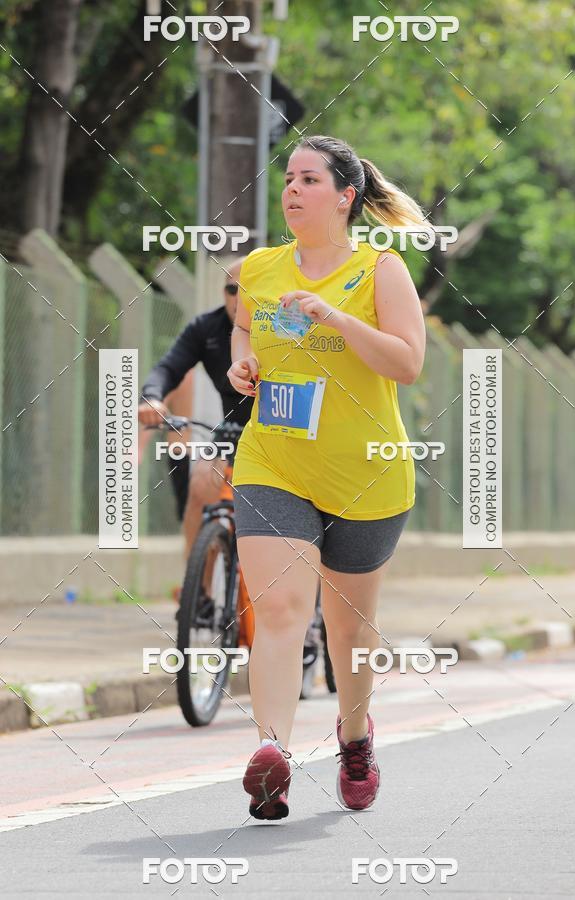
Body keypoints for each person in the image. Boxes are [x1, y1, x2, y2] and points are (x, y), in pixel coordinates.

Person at [227, 135, 427, 821]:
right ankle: (272, 755)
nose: (291, 189)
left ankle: (354, 738)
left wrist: (337, 318)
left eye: (309, 178)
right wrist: (243, 366)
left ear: (345, 197)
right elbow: (245, 332)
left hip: (367, 474)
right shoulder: (259, 267)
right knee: (280, 611)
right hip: (273, 462)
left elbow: (406, 363)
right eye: (287, 177)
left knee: (349, 631)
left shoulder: (380, 270)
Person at [138, 259, 250, 558]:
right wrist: (152, 397)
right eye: (231, 289)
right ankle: (196, 594)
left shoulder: (286, 327)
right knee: (200, 487)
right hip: (234, 432)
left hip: (284, 434)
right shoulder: (207, 328)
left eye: (249, 288)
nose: (238, 298)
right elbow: (168, 368)